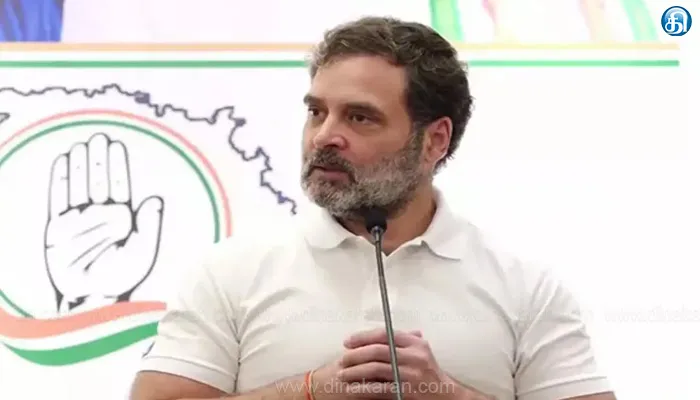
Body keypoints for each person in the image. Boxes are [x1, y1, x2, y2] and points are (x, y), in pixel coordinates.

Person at [129, 16, 616, 400]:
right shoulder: (229, 273)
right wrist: (306, 391)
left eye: (360, 117)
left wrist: (448, 395)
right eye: (316, 112)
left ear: (435, 140)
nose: (324, 137)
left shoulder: (526, 288)